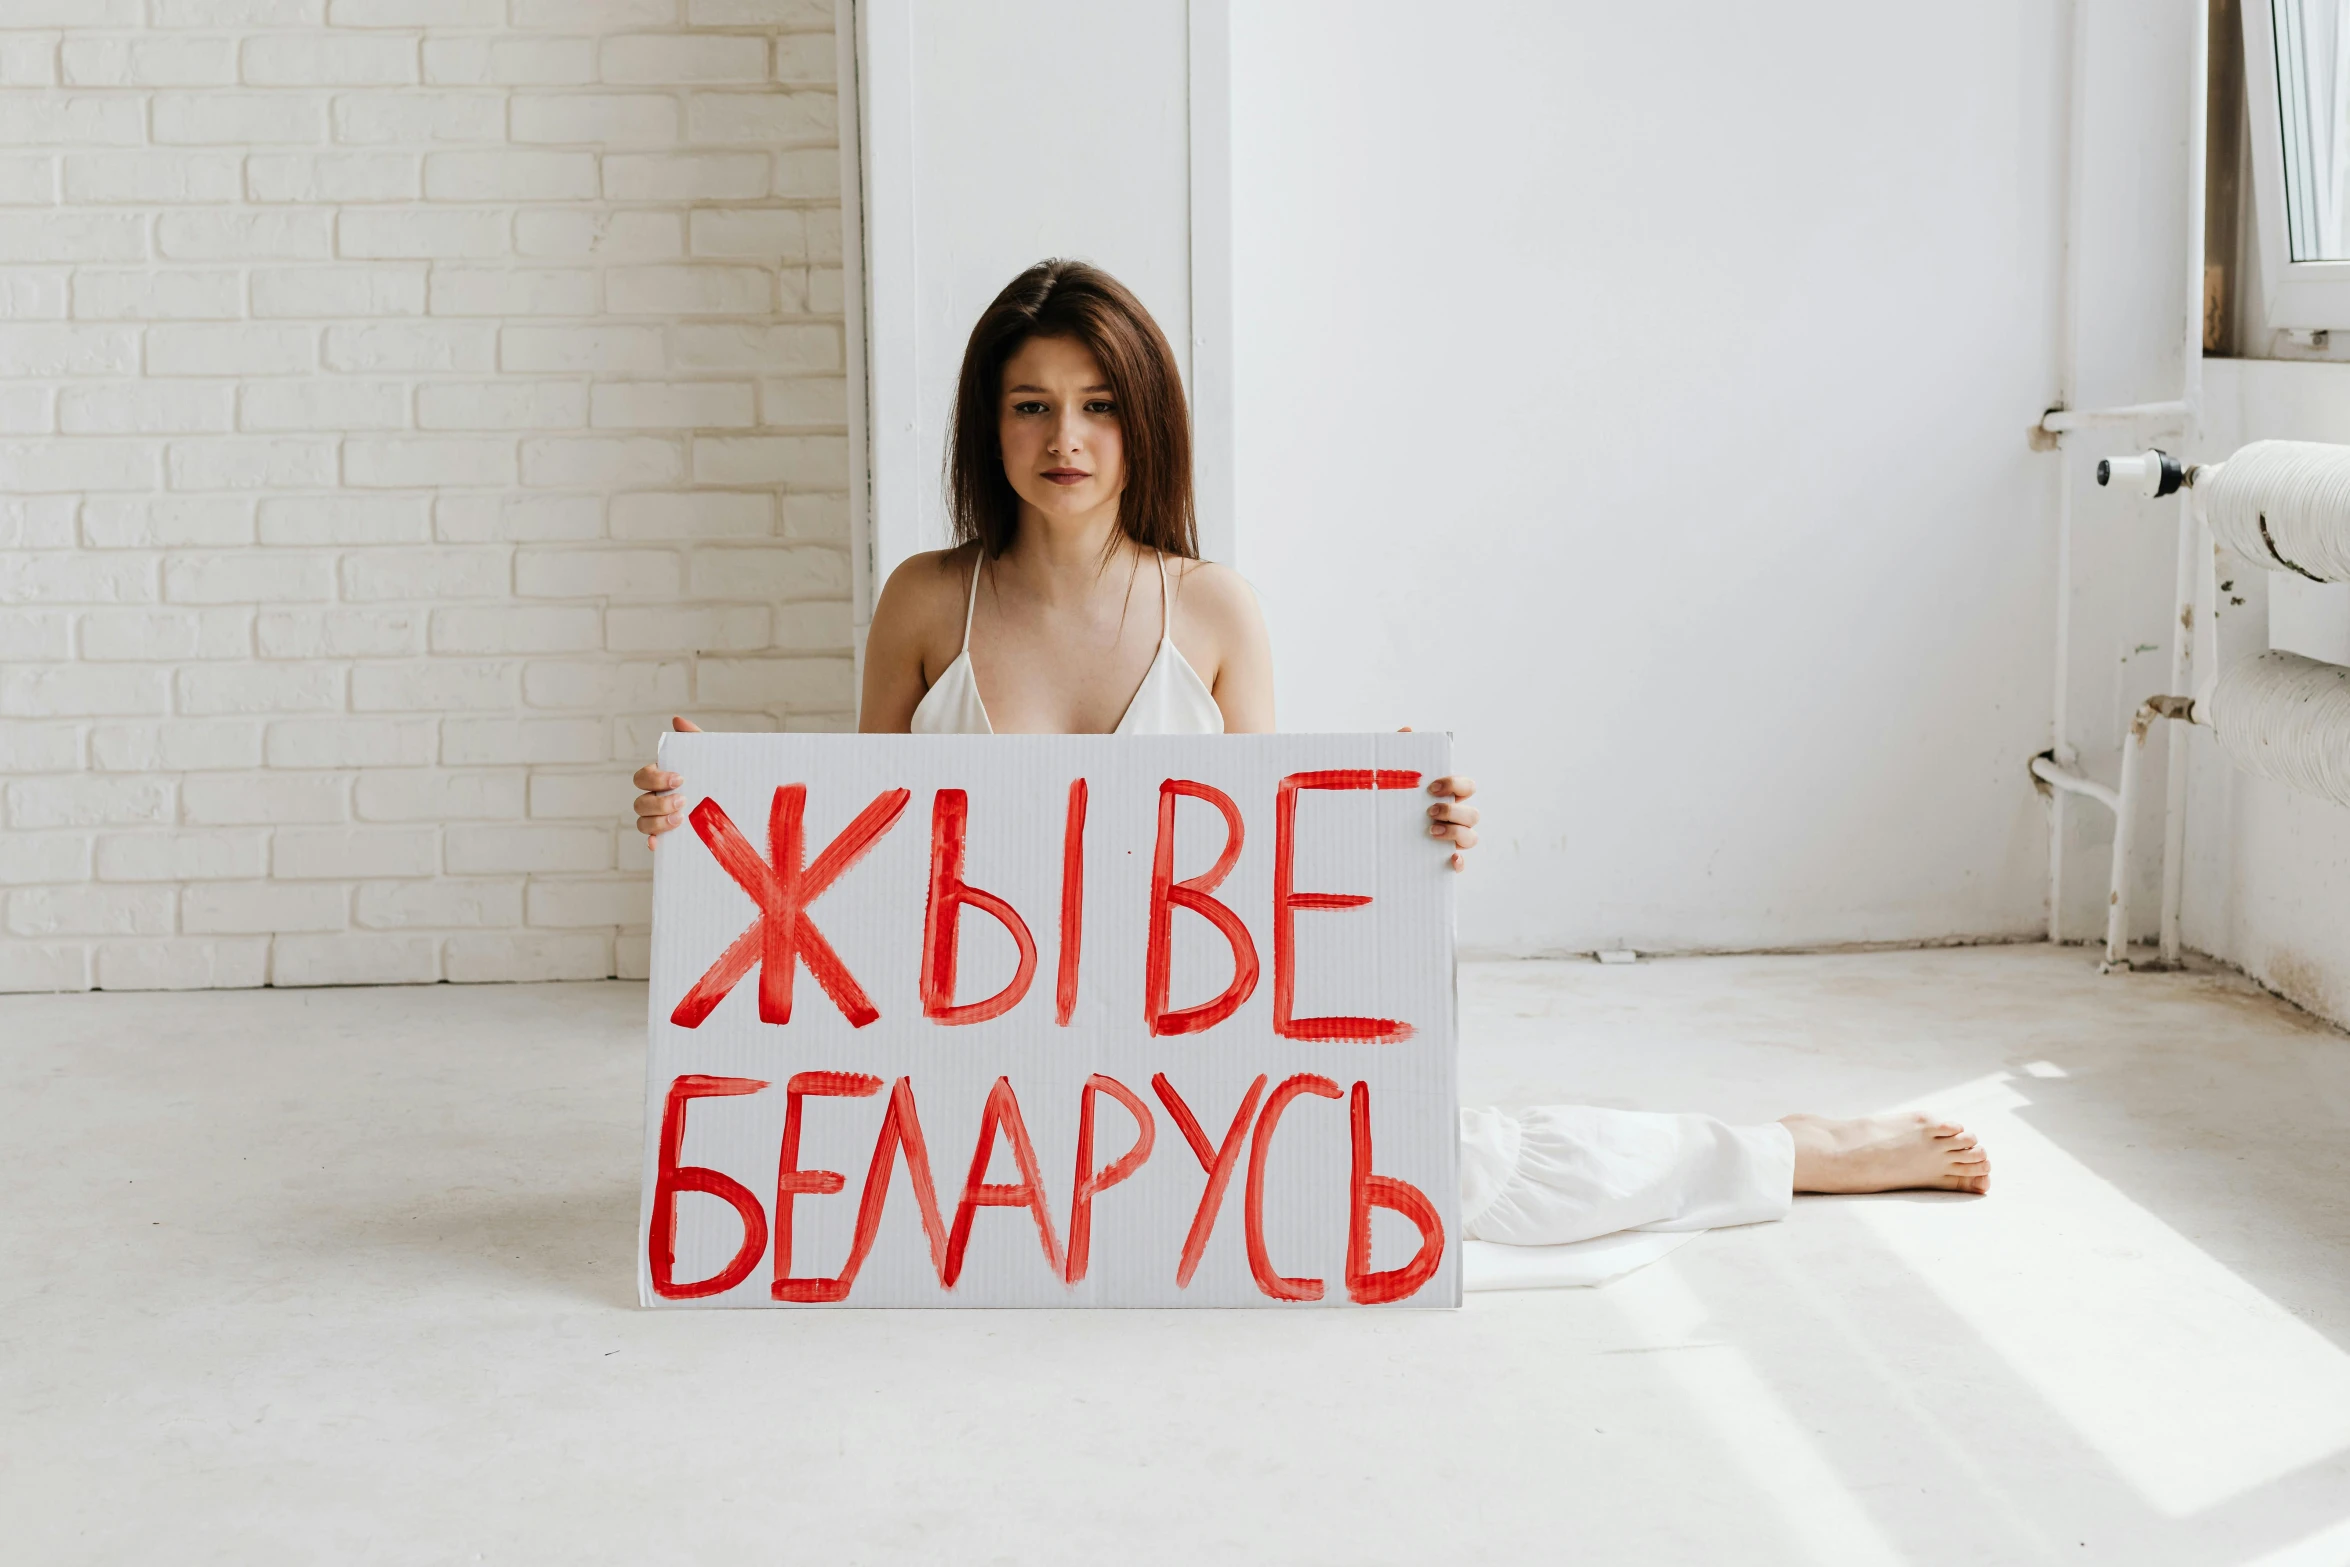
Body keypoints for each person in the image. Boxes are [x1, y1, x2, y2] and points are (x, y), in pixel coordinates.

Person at [629, 259, 1989, 1253]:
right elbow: (862, 862)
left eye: (1097, 405)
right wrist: (715, 827)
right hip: (980, 1059)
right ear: (989, 429)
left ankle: (1792, 1148)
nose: (1064, 440)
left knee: (1446, 1174)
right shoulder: (927, 600)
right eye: (1029, 406)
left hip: (1171, 1059)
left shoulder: (1210, 610)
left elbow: (1250, 888)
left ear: (1141, 422)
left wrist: (1405, 831)